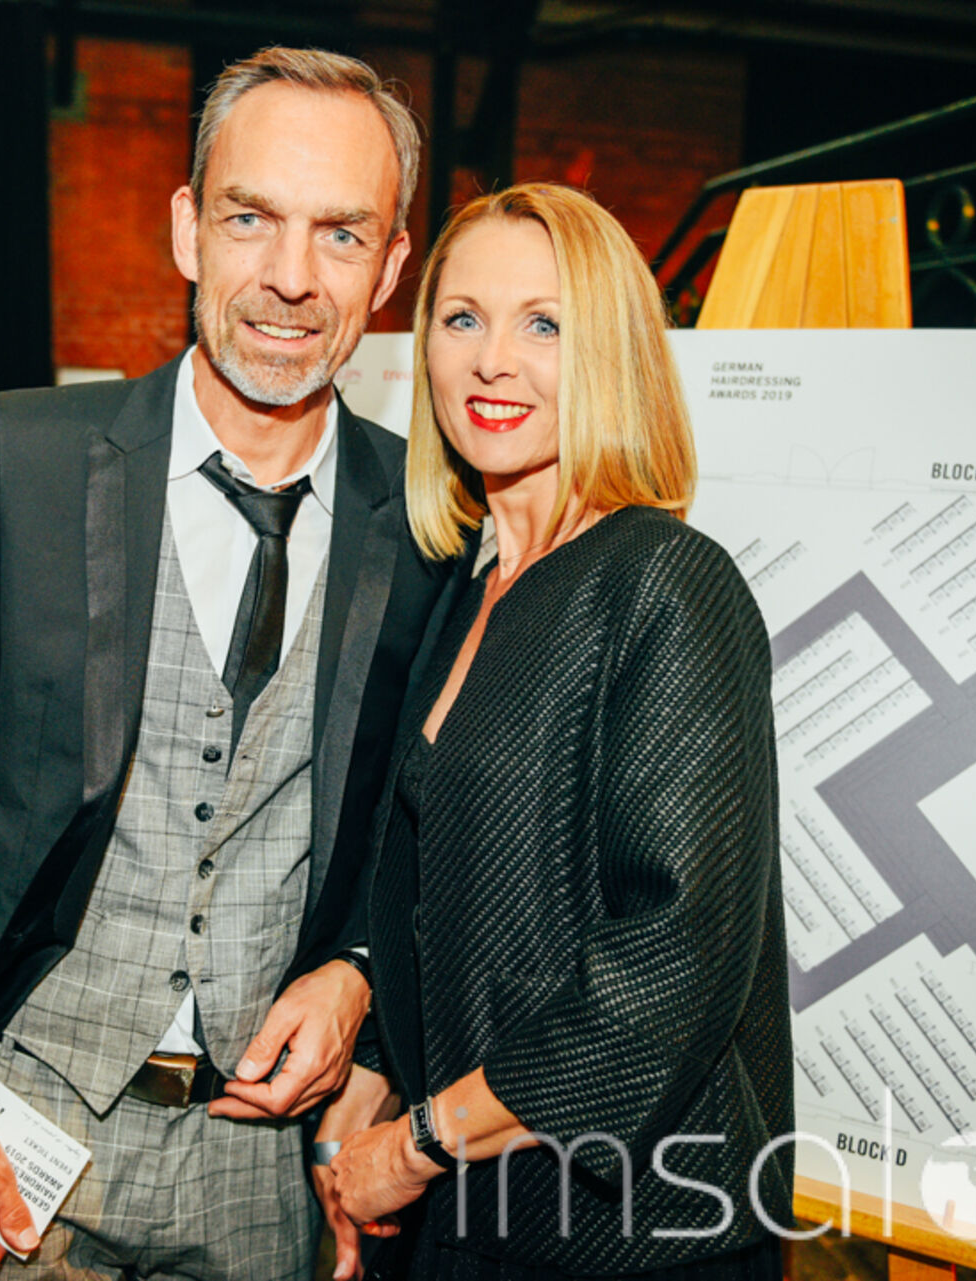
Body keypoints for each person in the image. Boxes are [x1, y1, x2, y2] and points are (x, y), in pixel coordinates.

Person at [0, 46, 445, 1281]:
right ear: (187, 229)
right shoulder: (24, 457)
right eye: (250, 218)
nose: (291, 277)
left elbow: (413, 830)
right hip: (11, 1125)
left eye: (341, 235)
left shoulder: (431, 519)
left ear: (391, 269)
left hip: (258, 1167)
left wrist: (357, 973)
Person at [323, 184, 794, 1279]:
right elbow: (442, 895)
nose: (493, 361)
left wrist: (421, 1141)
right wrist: (375, 1068)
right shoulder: (468, 587)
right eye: (462, 318)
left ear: (613, 353)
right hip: (478, 1208)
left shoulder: (665, 581)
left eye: (545, 324)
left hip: (635, 1233)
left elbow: (672, 963)